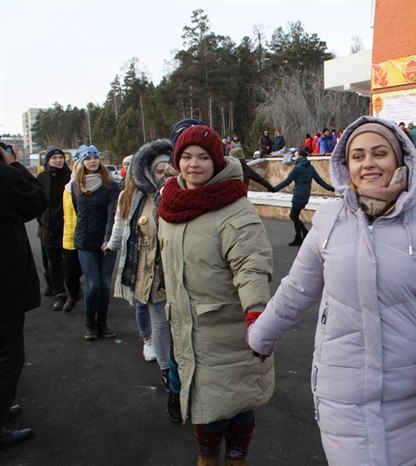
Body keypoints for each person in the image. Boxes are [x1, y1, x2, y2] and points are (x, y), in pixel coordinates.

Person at [247, 116, 416, 466]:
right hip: (340, 389)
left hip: (406, 393)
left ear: (400, 159)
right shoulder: (329, 219)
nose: (368, 163)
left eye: (380, 153)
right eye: (358, 156)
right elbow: (298, 288)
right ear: (345, 165)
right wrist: (262, 334)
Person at [157, 125, 274, 464]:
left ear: (217, 162)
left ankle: (236, 459)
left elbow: (252, 267)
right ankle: (207, 459)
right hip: (185, 326)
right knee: (204, 407)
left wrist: (256, 315)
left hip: (228, 330)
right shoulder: (170, 204)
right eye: (186, 157)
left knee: (233, 405)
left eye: (203, 157)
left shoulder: (234, 209)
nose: (194, 164)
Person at [107, 140, 173, 387]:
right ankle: (166, 369)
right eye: (159, 171)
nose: (164, 176)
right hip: (147, 268)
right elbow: (121, 223)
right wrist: (112, 244)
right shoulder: (134, 197)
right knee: (159, 321)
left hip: (175, 267)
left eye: (168, 171)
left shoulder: (177, 194)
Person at [0, 143, 47, 448]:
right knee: (9, 355)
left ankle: (2, 408)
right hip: (5, 285)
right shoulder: (5, 176)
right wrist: (14, 164)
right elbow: (37, 199)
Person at [71, 145, 120, 340]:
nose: (92, 161)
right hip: (85, 242)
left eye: (95, 157)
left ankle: (103, 322)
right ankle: (90, 323)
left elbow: (113, 215)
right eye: (88, 158)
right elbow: (78, 212)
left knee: (105, 284)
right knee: (93, 284)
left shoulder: (111, 186)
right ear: (82, 162)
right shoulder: (76, 185)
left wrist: (108, 239)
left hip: (106, 242)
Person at [272, 149, 334, 246]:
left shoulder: (297, 168)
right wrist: (330, 188)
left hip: (298, 195)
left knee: (294, 216)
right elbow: (320, 181)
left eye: (296, 155)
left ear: (300, 156)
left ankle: (299, 237)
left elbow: (287, 181)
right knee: (294, 216)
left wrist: (274, 189)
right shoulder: (310, 167)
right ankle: (304, 233)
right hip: (305, 195)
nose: (294, 157)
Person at [36, 146, 72, 311]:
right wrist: (41, 219)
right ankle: (58, 291)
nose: (58, 160)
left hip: (67, 225)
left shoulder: (70, 176)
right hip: (47, 226)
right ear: (48, 161)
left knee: (69, 261)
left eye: (61, 157)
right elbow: (36, 199)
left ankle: (70, 289)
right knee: (51, 261)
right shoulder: (42, 177)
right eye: (54, 158)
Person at [61, 162, 83, 312]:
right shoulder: (67, 189)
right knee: (70, 274)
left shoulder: (95, 187)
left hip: (87, 235)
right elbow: (65, 212)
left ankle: (95, 311)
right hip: (70, 235)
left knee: (92, 277)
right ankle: (74, 294)